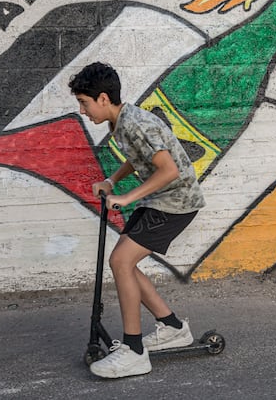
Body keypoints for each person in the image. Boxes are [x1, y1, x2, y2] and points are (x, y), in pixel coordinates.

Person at [69, 62, 206, 379]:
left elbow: (168, 169)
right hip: (164, 199)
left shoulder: (134, 124)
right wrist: (113, 180)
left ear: (103, 99)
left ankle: (133, 352)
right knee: (124, 263)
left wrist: (127, 198)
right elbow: (139, 157)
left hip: (176, 201)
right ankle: (172, 328)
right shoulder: (122, 122)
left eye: (84, 103)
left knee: (120, 261)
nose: (83, 111)